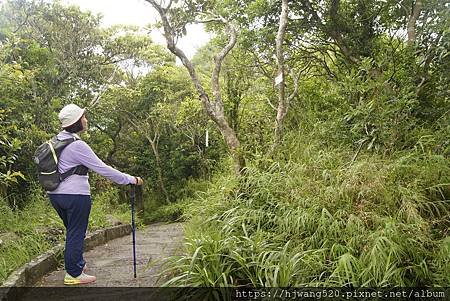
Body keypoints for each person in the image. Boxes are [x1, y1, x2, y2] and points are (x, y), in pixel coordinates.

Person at [48, 103, 143, 285]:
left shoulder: (56, 141)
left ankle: (76, 264)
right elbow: (103, 169)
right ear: (76, 122)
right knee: (76, 232)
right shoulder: (77, 146)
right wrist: (130, 179)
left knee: (73, 231)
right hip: (75, 196)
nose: (86, 120)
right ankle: (73, 274)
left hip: (55, 195)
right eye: (83, 117)